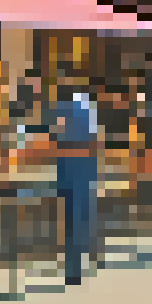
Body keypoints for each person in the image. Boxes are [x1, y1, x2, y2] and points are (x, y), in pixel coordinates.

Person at [47, 76, 101, 284]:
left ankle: (74, 267)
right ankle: (76, 264)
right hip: (78, 164)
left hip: (70, 165)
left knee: (72, 217)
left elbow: (57, 137)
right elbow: (93, 139)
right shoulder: (83, 107)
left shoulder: (64, 109)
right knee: (77, 215)